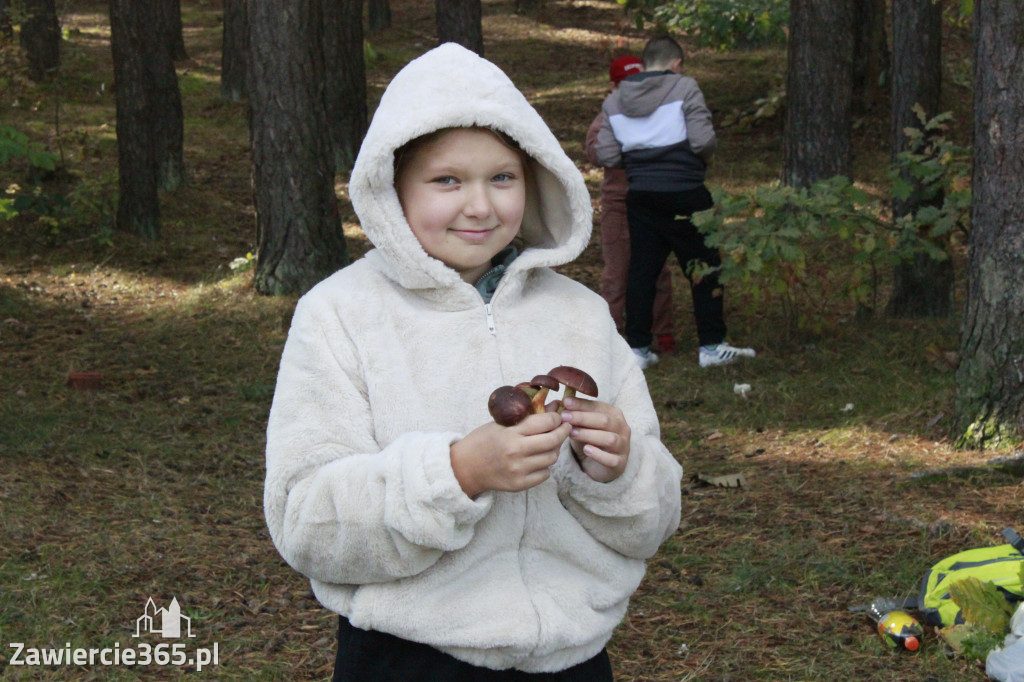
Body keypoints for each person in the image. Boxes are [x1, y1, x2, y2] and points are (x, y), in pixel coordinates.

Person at [264, 43, 683, 681]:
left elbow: (654, 523)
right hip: (408, 659)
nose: (481, 206)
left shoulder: (580, 313)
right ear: (391, 189)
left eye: (503, 177)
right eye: (447, 180)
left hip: (572, 658)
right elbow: (305, 522)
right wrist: (457, 473)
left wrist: (621, 470)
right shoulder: (341, 315)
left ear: (536, 179)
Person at [595, 35, 755, 369]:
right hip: (685, 191)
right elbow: (702, 140)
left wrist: (640, 164)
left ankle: (638, 349)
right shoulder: (685, 88)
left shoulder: (614, 101)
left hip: (640, 196)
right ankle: (711, 345)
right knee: (704, 266)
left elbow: (606, 153)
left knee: (642, 271)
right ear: (676, 63)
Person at [585, 55, 677, 359]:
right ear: (614, 86)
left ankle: (662, 333)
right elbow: (595, 152)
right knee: (617, 273)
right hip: (620, 205)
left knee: (658, 271)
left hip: (654, 201)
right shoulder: (608, 115)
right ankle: (610, 337)